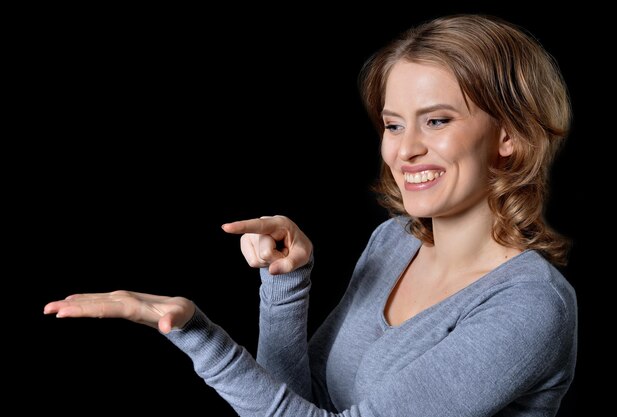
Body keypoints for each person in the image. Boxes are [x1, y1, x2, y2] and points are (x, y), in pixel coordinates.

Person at [43, 14, 577, 417]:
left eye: (436, 121)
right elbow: (304, 402)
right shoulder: (392, 243)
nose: (405, 150)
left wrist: (199, 335)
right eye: (393, 126)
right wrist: (286, 288)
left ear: (510, 135)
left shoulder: (530, 306)